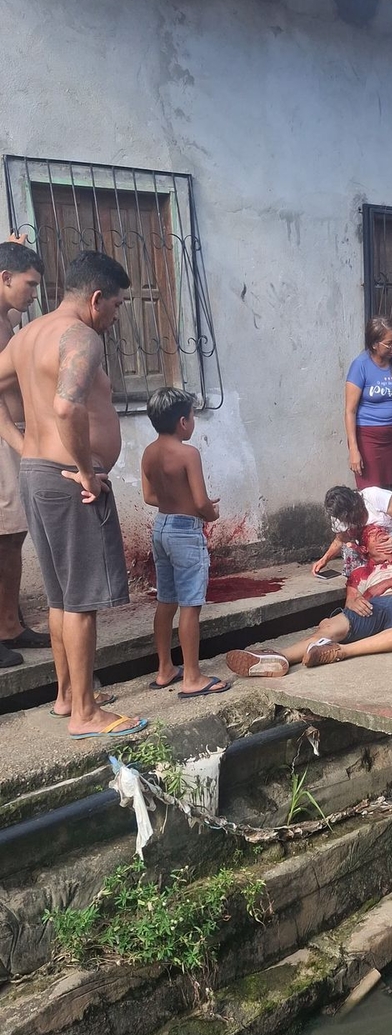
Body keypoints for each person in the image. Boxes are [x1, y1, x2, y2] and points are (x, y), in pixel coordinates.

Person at [0, 250, 147, 738]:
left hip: (39, 473)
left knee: (62, 597)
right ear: (96, 298)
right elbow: (67, 406)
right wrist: (87, 471)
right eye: (118, 306)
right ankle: (86, 714)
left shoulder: (26, 335)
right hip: (68, 480)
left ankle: (67, 696)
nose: (117, 316)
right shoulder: (79, 336)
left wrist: (23, 446)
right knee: (81, 599)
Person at [228, 511, 392, 678]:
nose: (382, 534)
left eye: (383, 531)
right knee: (331, 626)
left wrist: (386, 584)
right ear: (364, 549)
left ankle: (341, 651)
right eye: (374, 534)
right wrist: (353, 604)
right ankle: (278, 658)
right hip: (374, 607)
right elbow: (351, 602)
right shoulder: (360, 573)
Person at [141, 387, 231, 700]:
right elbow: (201, 502)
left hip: (162, 528)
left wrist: (182, 504)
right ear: (183, 422)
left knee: (166, 601)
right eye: (192, 417)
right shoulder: (188, 454)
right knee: (190, 605)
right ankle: (192, 676)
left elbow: (149, 496)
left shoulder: (148, 453)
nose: (193, 422)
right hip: (185, 532)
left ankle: (165, 667)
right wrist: (211, 512)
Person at [0, 238, 49, 668]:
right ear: (5, 278)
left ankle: (10, 625)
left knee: (13, 535)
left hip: (12, 437)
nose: (33, 295)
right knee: (2, 535)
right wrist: (19, 443)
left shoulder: (6, 316)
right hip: (4, 439)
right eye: (29, 285)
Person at [345, 317, 392, 490]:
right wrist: (354, 449)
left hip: (390, 437)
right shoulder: (360, 365)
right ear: (374, 344)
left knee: (386, 490)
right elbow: (350, 411)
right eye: (389, 343)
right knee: (371, 492)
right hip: (367, 438)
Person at [311, 484, 392, 577]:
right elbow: (340, 540)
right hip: (371, 558)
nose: (348, 520)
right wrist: (324, 559)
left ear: (354, 504)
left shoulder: (375, 496)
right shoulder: (338, 515)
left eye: (349, 516)